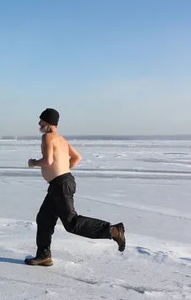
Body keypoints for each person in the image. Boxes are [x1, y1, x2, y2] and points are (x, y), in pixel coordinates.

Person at [25, 108, 125, 266]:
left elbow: (48, 160)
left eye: (41, 120)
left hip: (61, 185)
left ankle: (113, 231)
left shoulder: (48, 137)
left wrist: (34, 163)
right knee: (44, 219)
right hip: (60, 183)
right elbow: (77, 157)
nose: (39, 123)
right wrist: (62, 172)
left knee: (72, 223)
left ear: (49, 122)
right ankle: (44, 255)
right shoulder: (62, 140)